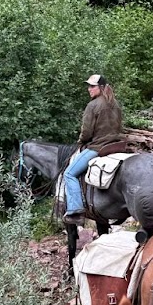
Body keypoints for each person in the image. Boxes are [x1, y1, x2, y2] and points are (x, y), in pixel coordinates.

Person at [63, 73, 124, 224]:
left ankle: (75, 210)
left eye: (92, 86)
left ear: (101, 87)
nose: (89, 89)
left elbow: (87, 131)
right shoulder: (115, 104)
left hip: (98, 147)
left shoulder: (93, 105)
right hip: (116, 145)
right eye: (88, 86)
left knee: (69, 173)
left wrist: (81, 141)